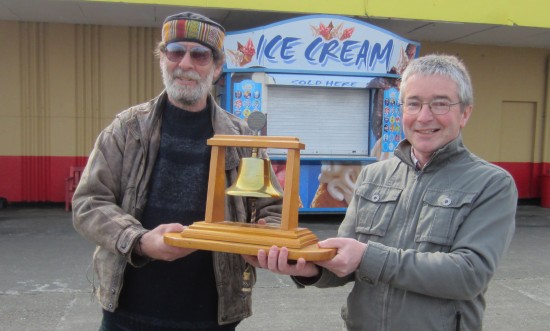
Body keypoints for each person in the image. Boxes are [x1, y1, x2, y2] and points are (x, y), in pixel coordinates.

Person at [245, 54, 517, 330]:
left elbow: (469, 275)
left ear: (465, 113)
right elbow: (346, 265)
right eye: (413, 103)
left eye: (440, 103)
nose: (424, 116)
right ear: (401, 110)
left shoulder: (491, 184)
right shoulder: (375, 175)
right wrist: (306, 266)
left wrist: (366, 256)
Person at [72, 12, 282, 331]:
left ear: (216, 68)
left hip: (213, 317)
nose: (185, 64)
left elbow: (272, 209)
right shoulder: (127, 130)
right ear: (162, 59)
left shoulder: (243, 139)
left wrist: (267, 238)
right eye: (175, 52)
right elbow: (88, 203)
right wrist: (139, 240)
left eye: (199, 55)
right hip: (127, 315)